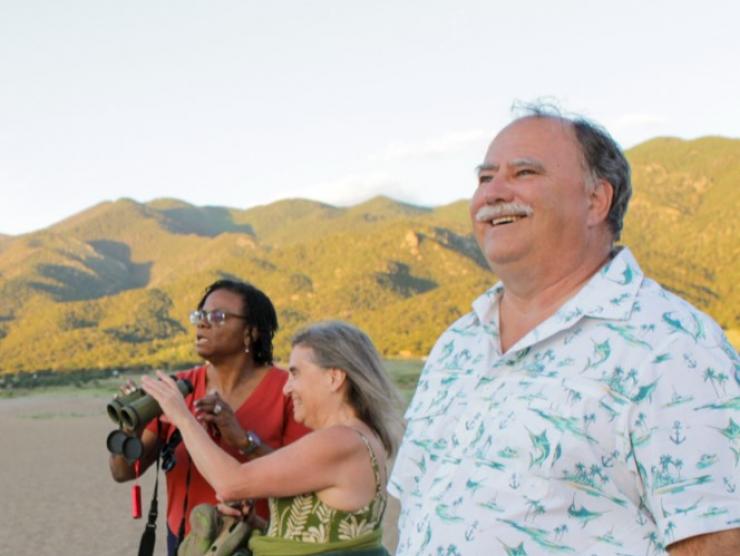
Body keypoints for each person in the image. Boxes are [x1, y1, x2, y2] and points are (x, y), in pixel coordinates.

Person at [389, 105, 740, 555]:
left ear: (596, 201)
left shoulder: (672, 347)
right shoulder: (456, 344)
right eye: (485, 177)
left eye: (524, 172)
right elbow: (419, 511)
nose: (493, 192)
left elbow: (720, 541)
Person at [141, 320, 404, 555]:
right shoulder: (357, 437)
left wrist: (181, 416)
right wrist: (258, 522)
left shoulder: (340, 440)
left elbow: (230, 484)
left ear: (333, 377)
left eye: (295, 373)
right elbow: (321, 537)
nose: (287, 388)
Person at [109, 279, 310, 556]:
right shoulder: (176, 389)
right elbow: (121, 472)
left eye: (217, 316)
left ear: (250, 332)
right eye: (200, 315)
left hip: (259, 541)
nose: (202, 324)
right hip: (185, 542)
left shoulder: (288, 390)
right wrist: (131, 427)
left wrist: (243, 440)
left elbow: (303, 479)